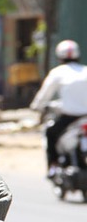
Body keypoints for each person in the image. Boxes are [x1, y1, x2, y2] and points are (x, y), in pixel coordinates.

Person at [30, 39, 87, 177]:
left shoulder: (57, 72)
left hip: (70, 117)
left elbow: (44, 95)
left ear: (60, 57)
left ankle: (53, 166)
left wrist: (36, 106)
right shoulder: (85, 70)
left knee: (50, 133)